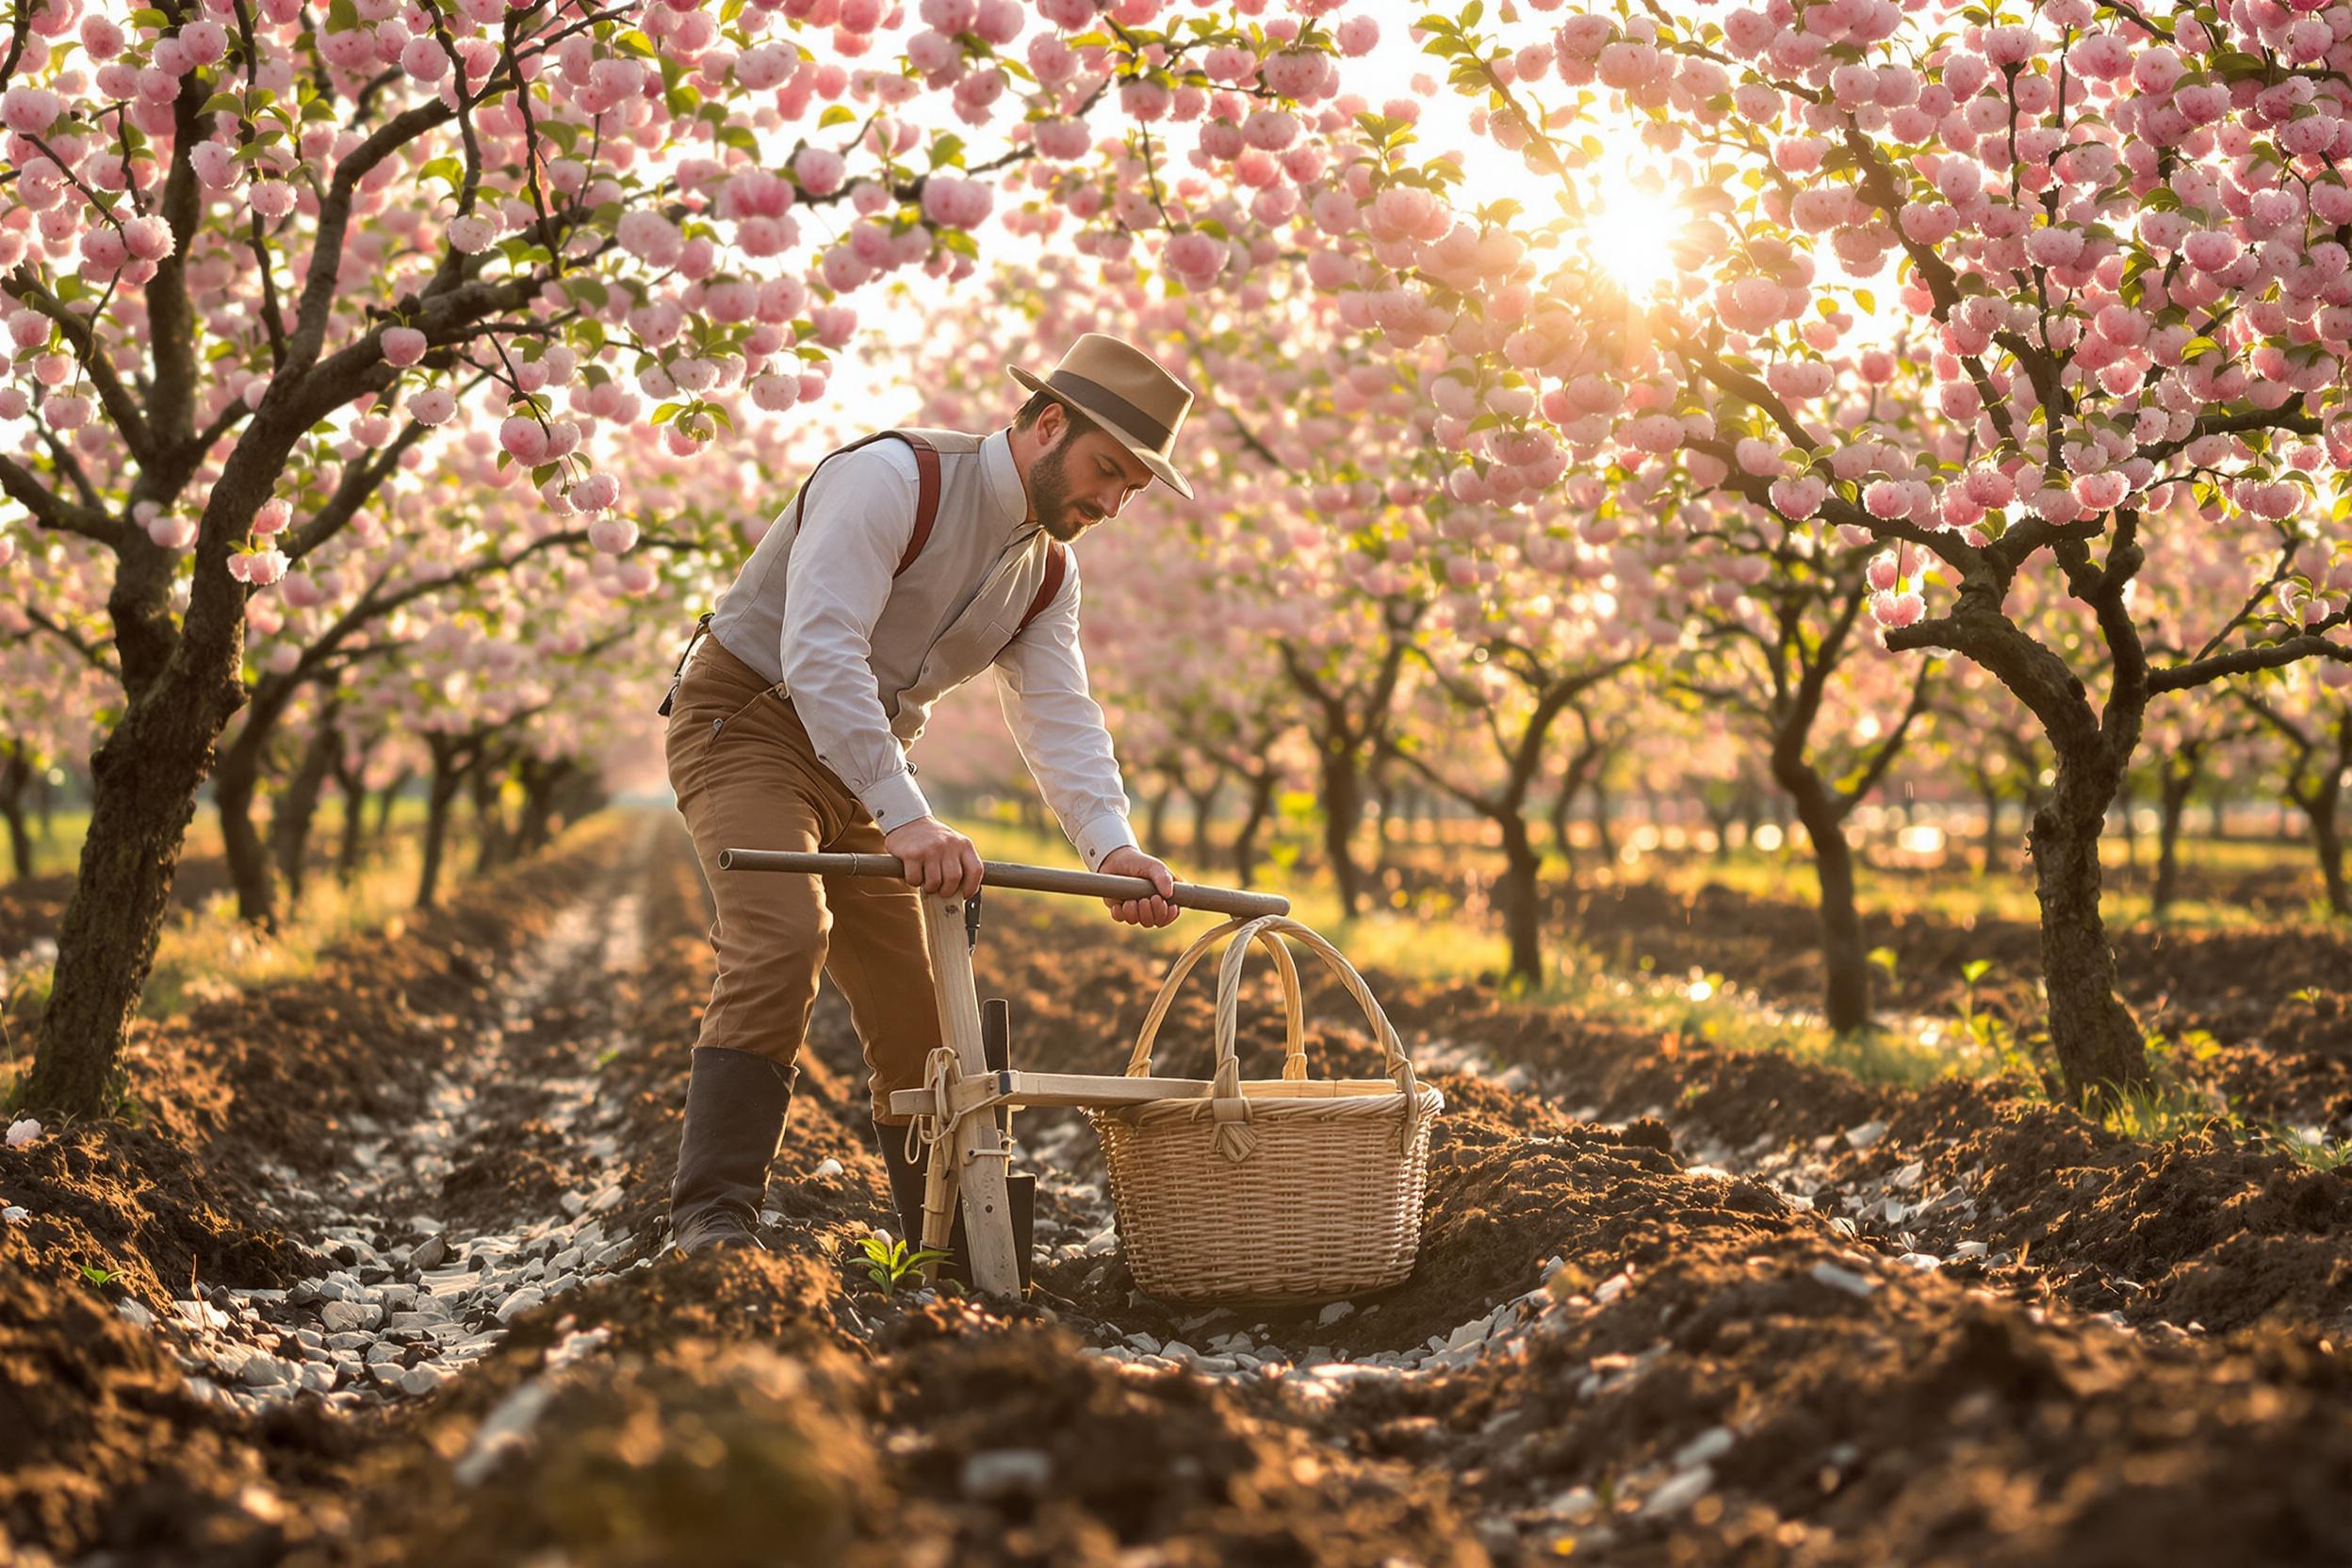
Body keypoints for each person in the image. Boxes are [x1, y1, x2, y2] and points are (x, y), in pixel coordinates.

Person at [658, 333, 1196, 1259]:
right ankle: (712, 1217)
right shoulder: (892, 480)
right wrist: (907, 817)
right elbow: (819, 652)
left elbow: (1060, 712)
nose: (1111, 504)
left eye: (1131, 493)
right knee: (785, 934)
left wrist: (1112, 847)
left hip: (860, 763)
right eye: (1108, 472)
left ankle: (952, 1241)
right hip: (748, 720)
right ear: (1048, 422)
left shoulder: (1047, 571)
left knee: (928, 1009)